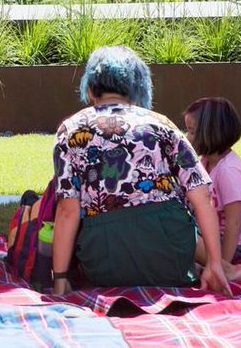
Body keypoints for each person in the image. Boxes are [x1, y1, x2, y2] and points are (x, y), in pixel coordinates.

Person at [51, 47, 230, 295]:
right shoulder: (162, 124)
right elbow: (202, 197)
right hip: (171, 257)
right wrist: (214, 264)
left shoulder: (70, 130)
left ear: (90, 90)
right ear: (138, 87)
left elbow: (67, 210)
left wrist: (60, 278)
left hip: (104, 263)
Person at [184, 98, 241, 281]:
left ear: (210, 134)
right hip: (219, 234)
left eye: (191, 132)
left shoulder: (228, 171)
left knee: (184, 239)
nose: (186, 137)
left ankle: (229, 271)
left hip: (239, 244)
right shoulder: (205, 162)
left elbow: (234, 223)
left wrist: (222, 263)